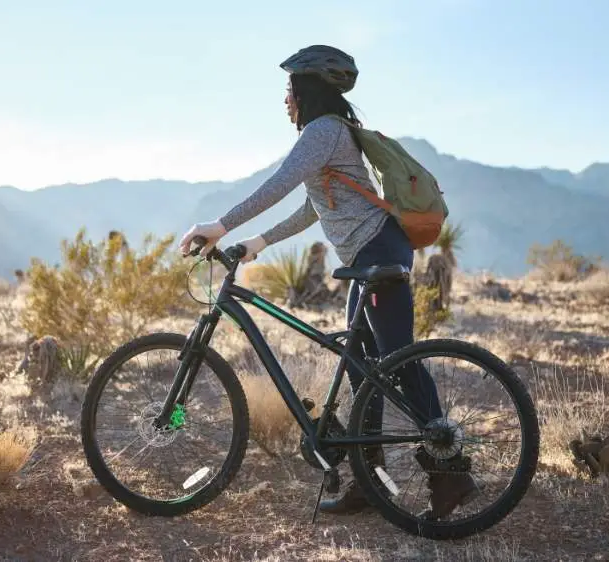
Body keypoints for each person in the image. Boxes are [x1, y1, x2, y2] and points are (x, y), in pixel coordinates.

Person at [178, 45, 478, 518]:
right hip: (368, 255)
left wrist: (221, 224)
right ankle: (368, 478)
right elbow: (311, 205)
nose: (284, 100)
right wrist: (259, 241)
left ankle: (450, 467)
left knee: (398, 360)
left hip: (378, 252)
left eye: (288, 89)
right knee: (363, 365)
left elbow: (278, 184)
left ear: (306, 88)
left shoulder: (323, 131)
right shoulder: (333, 134)